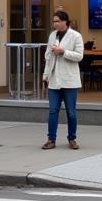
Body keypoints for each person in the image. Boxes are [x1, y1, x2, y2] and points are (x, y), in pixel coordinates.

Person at [42, 9, 84, 150]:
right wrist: (45, 75)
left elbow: (79, 56)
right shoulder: (52, 36)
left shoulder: (76, 36)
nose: (55, 24)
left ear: (65, 22)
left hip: (69, 80)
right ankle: (51, 139)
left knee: (71, 112)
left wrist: (63, 52)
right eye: (54, 21)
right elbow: (48, 56)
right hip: (54, 79)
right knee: (53, 110)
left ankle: (72, 138)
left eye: (58, 21)